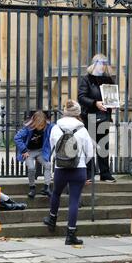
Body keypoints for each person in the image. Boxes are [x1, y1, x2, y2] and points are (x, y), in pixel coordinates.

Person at [43, 100, 94, 245]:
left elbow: (53, 147)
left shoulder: (55, 128)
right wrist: (82, 160)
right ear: (78, 113)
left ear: (65, 111)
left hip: (60, 168)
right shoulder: (82, 130)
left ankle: (52, 218)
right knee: (74, 199)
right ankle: (70, 234)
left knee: (56, 192)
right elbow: (90, 152)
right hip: (79, 169)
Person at [78, 53, 116, 183]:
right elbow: (81, 97)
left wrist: (113, 104)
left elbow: (112, 96)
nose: (103, 66)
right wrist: (95, 103)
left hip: (104, 117)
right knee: (89, 146)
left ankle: (105, 174)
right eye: (101, 63)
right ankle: (89, 173)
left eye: (105, 63)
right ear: (94, 64)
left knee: (103, 146)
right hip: (90, 117)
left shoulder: (108, 79)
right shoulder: (86, 79)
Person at [14, 110, 54, 198]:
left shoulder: (49, 126)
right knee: (31, 168)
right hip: (29, 152)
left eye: (42, 125)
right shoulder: (28, 128)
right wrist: (24, 150)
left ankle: (46, 188)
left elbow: (57, 129)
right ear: (34, 122)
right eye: (38, 125)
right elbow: (17, 138)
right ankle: (32, 187)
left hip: (41, 151)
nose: (40, 127)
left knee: (48, 165)